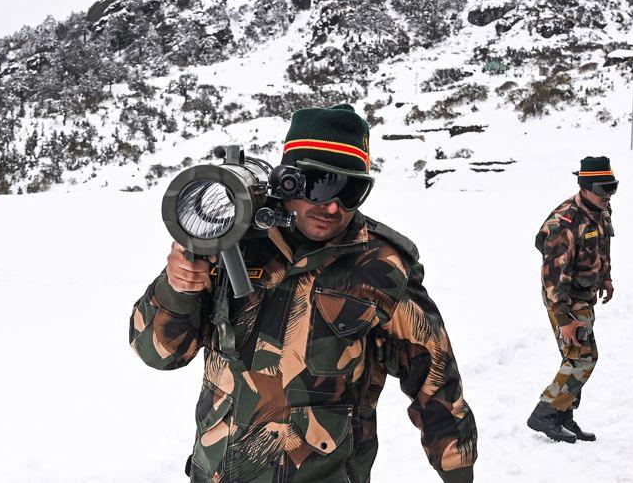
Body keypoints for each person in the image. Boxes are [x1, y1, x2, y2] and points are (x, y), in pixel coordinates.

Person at [129, 104, 477, 482]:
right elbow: (158, 354)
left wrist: (458, 474)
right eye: (320, 184)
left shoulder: (381, 266)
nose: (332, 206)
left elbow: (435, 382)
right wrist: (178, 288)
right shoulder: (231, 240)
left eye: (351, 191)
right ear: (287, 181)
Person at [527, 156, 617, 443]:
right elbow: (552, 278)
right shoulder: (564, 223)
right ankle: (544, 413)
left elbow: (603, 246)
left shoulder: (601, 209)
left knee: (575, 358)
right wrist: (564, 319)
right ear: (586, 186)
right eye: (605, 188)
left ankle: (563, 416)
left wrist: (606, 277)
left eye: (614, 186)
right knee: (583, 358)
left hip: (585, 295)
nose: (610, 194)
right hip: (564, 299)